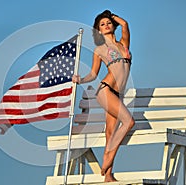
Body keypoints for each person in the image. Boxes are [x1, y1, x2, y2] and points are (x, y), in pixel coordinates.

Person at [72, 10, 135, 182]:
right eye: (102, 24)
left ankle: (108, 175)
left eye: (108, 23)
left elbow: (125, 25)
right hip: (105, 90)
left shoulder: (123, 44)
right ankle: (108, 155)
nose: (106, 25)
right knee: (129, 122)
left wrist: (110, 15)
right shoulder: (100, 50)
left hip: (117, 94)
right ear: (98, 30)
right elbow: (93, 74)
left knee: (111, 132)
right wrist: (80, 79)